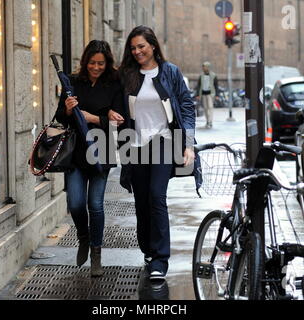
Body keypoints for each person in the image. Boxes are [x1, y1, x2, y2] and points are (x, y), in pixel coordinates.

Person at [118, 25, 196, 280]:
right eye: (133, 48)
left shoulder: (169, 72)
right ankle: (149, 251)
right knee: (142, 200)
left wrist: (188, 144)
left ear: (152, 45)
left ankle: (161, 259)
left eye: (141, 46)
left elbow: (186, 105)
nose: (138, 51)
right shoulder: (127, 74)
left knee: (156, 195)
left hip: (163, 141)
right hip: (136, 144)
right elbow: (115, 102)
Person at [55, 40, 124, 276]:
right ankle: (83, 238)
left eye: (101, 63)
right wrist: (67, 109)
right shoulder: (73, 82)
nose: (96, 67)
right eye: (93, 63)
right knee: (75, 203)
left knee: (95, 205)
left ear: (107, 64)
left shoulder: (114, 84)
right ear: (86, 62)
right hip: (76, 154)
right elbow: (60, 119)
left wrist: (92, 118)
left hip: (101, 152)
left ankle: (96, 252)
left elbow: (119, 120)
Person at [195, 61, 219, 129]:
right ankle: (207, 121)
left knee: (210, 108)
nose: (203, 68)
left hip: (211, 94)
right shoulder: (201, 76)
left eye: (204, 66)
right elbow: (199, 85)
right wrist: (198, 94)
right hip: (203, 94)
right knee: (205, 108)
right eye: (203, 66)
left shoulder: (213, 75)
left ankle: (210, 121)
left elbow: (216, 85)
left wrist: (217, 95)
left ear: (208, 67)